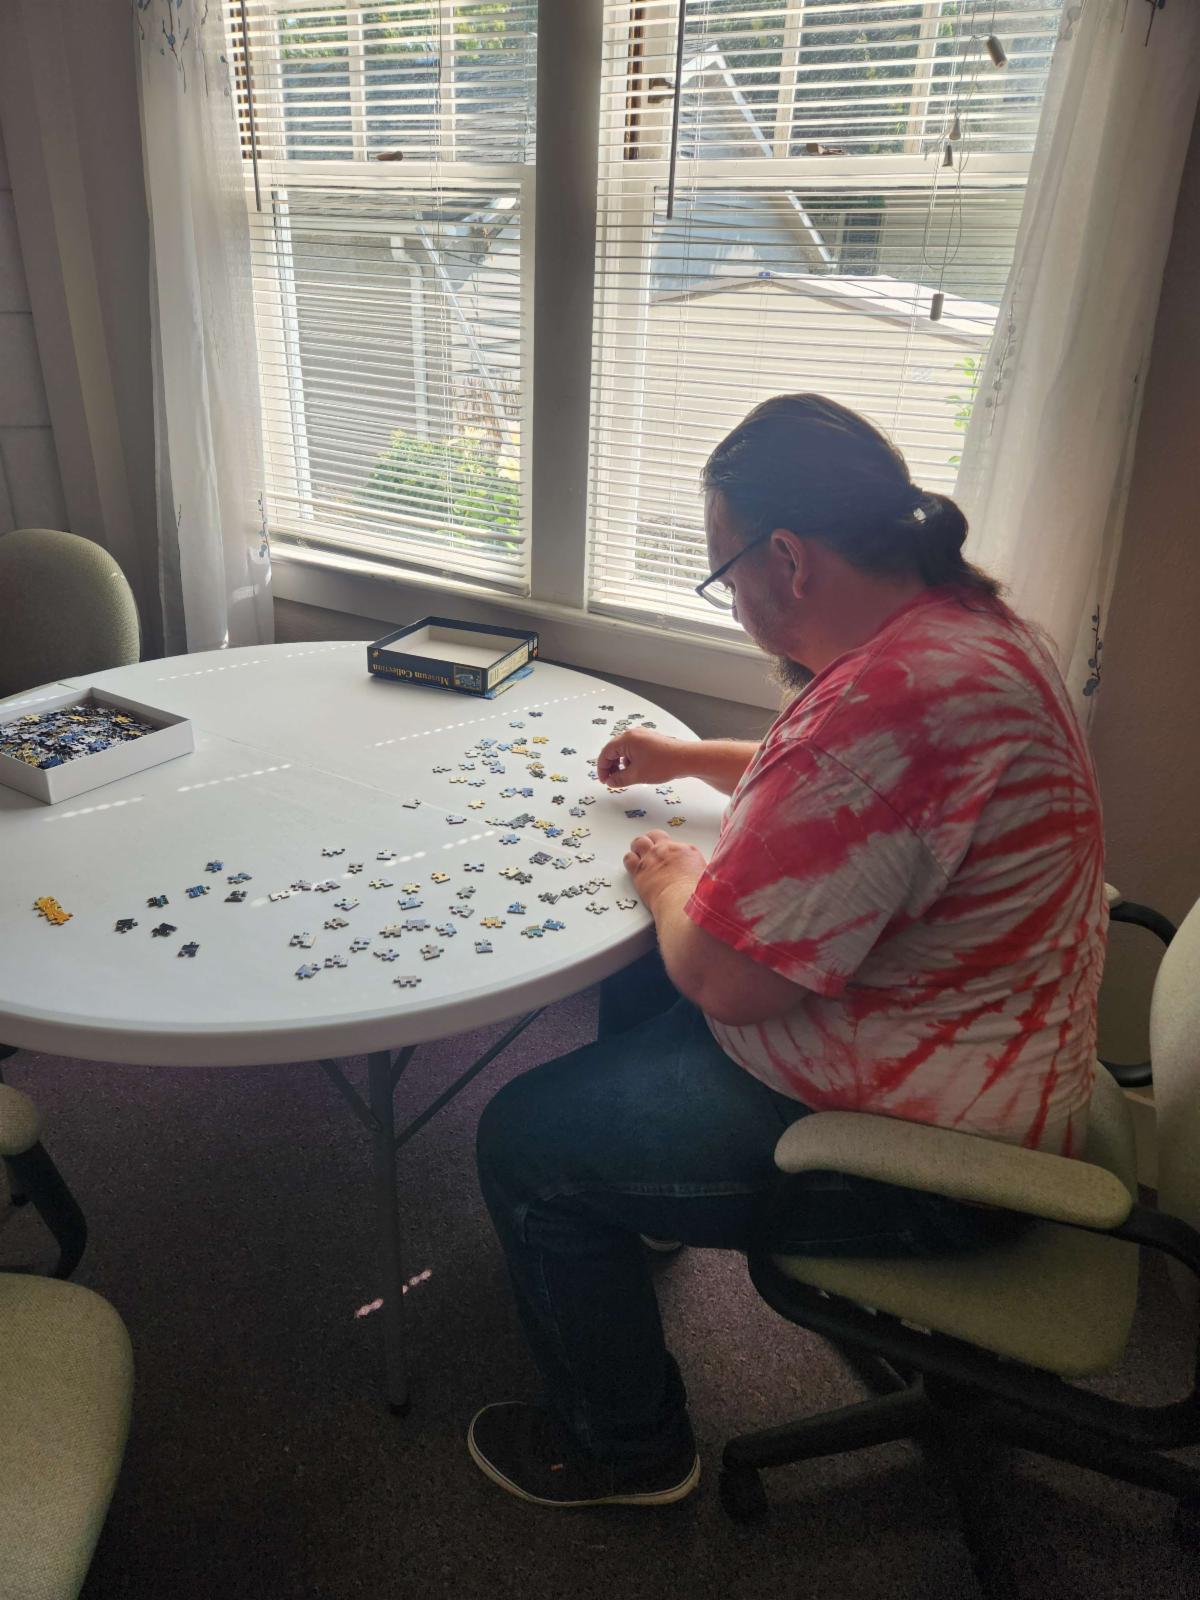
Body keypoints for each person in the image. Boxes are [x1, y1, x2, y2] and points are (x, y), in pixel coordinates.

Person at [467, 394, 1107, 1509]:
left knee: (525, 1141)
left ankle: (625, 1448)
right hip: (994, 1058)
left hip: (935, 1160)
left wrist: (671, 881)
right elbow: (833, 782)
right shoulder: (963, 630)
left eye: (724, 576)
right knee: (641, 977)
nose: (733, 603)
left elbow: (727, 982)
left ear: (789, 559)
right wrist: (690, 757)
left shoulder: (889, 710)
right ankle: (646, 1207)